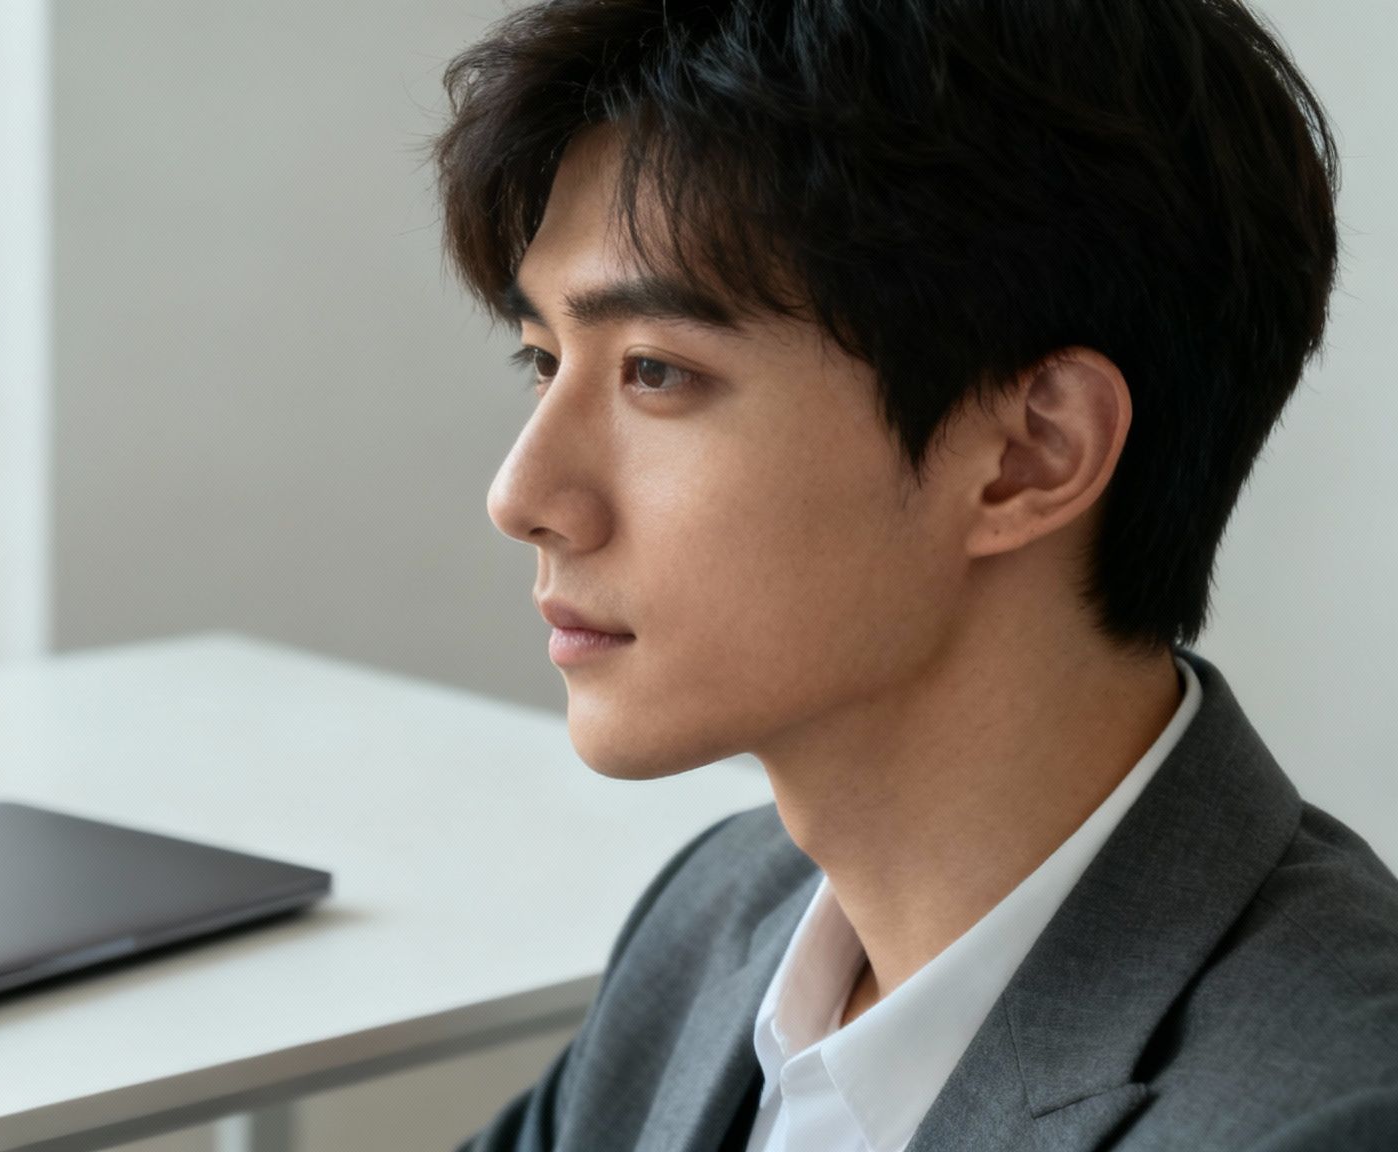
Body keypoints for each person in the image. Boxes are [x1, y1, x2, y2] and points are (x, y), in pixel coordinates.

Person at [431, 1, 1398, 1148]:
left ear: (1029, 453)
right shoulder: (721, 911)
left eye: (654, 371)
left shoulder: (1318, 1112)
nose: (522, 495)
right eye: (542, 359)